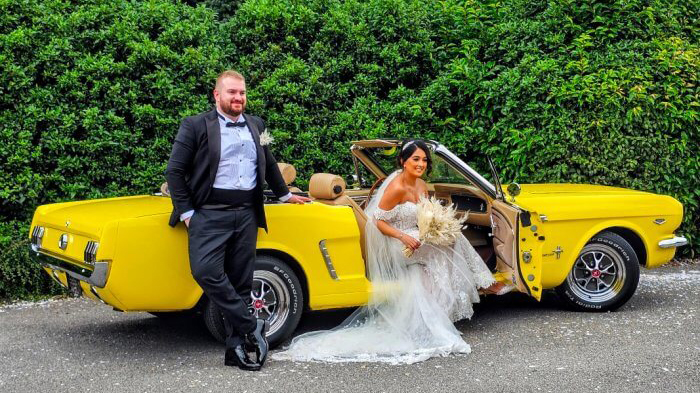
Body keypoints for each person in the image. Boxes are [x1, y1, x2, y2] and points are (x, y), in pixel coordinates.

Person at [273, 140, 506, 364]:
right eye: (416, 159)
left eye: (424, 160)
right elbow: (378, 223)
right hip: (396, 242)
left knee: (449, 238)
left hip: (415, 235)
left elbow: (424, 214)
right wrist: (405, 236)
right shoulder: (396, 187)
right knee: (445, 244)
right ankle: (481, 282)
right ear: (404, 161)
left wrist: (434, 225)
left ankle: (445, 305)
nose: (421, 164)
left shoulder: (422, 186)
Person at [166, 70, 310, 371]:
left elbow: (269, 163)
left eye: (242, 93)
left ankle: (236, 351)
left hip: (246, 213)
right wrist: (188, 213)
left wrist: (284, 195)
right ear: (217, 95)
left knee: (242, 283)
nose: (238, 98)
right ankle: (251, 324)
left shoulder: (257, 125)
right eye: (232, 92)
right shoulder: (195, 125)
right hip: (209, 212)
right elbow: (174, 172)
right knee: (205, 271)